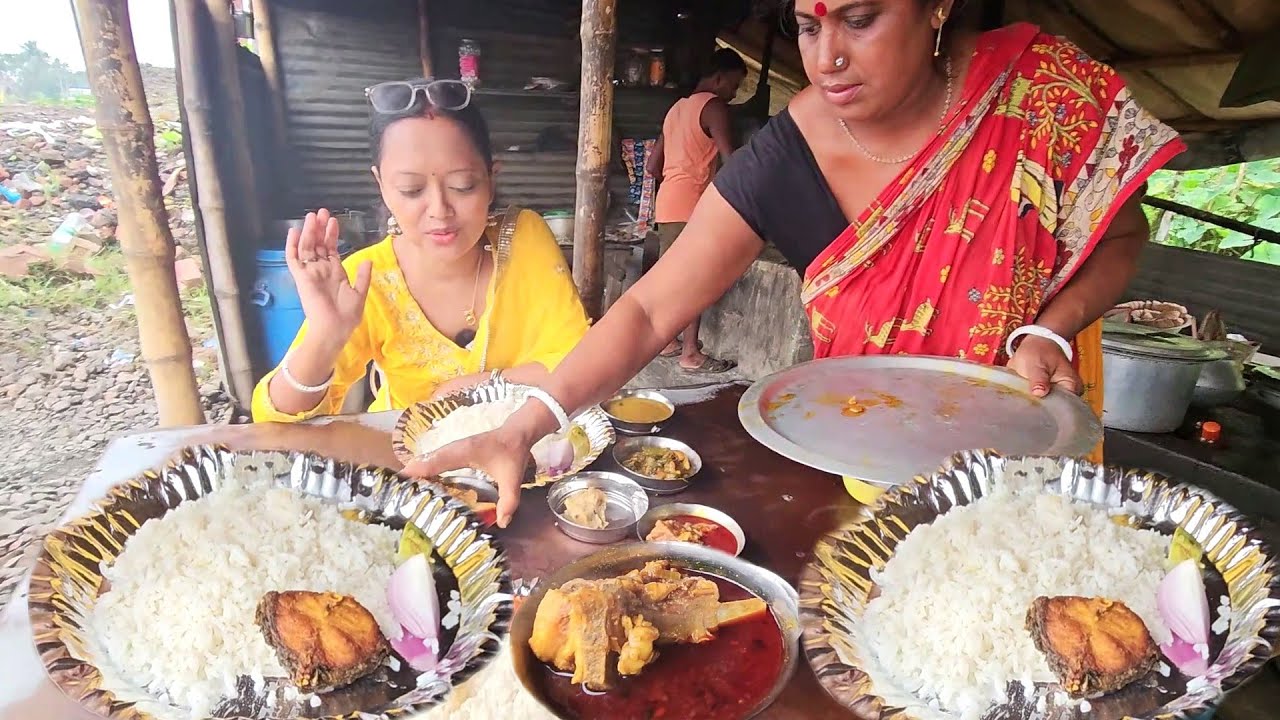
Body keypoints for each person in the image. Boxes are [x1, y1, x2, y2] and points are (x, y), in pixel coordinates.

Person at [410, 2, 1185, 527]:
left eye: (860, 17)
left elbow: (1122, 236)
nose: (828, 57)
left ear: (938, 6)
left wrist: (1051, 329)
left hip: (1026, 458)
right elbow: (648, 310)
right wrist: (528, 424)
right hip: (866, 470)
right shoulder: (787, 154)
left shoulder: (1038, 95)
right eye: (808, 25)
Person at [251, 78, 590, 422]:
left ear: (491, 179)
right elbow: (275, 422)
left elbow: (582, 363)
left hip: (527, 455)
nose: (439, 210)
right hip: (407, 465)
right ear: (382, 186)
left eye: (463, 186)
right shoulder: (363, 280)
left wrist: (471, 387)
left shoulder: (524, 240)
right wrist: (325, 337)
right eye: (411, 190)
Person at [646, 48, 747, 373]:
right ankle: (690, 352)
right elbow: (731, 158)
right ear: (718, 78)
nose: (733, 93)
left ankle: (666, 342)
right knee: (696, 280)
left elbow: (652, 167)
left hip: (667, 204)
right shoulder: (714, 106)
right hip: (692, 205)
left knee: (674, 277)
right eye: (733, 84)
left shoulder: (675, 110)